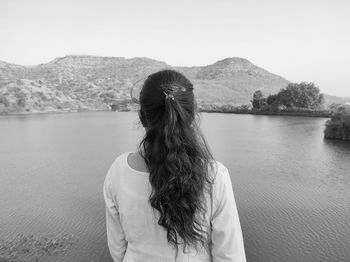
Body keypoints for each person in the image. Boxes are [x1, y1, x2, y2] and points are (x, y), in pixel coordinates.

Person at [103, 69, 246, 262]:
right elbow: (230, 256)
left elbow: (117, 248)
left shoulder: (118, 171)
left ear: (142, 116)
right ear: (191, 116)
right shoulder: (214, 176)